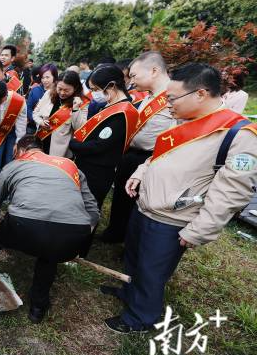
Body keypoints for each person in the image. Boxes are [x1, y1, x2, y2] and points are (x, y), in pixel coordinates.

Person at [102, 63, 257, 333]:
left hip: (172, 220)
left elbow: (232, 192)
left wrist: (199, 231)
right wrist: (140, 172)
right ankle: (129, 293)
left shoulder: (238, 135)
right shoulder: (184, 119)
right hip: (145, 207)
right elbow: (156, 155)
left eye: (172, 98)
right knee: (135, 258)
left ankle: (140, 318)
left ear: (200, 94)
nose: (168, 104)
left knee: (152, 272)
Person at [0, 135, 100, 323]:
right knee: (50, 256)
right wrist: (77, 236)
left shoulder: (15, 165)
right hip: (75, 232)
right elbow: (93, 211)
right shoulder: (70, 165)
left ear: (20, 151)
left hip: (24, 225)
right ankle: (37, 308)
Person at [101, 51, 175, 243]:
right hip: (131, 154)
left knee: (137, 202)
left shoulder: (175, 97)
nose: (131, 81)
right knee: (121, 198)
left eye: (134, 75)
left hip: (151, 158)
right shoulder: (148, 96)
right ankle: (115, 233)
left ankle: (129, 241)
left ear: (154, 70)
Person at [69, 65, 139, 211]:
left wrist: (72, 144)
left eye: (95, 89)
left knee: (88, 210)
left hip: (98, 172)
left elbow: (100, 145)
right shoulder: (110, 104)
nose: (94, 94)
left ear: (112, 85)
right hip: (87, 165)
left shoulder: (123, 112)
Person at [33, 71, 90, 158]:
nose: (62, 93)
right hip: (41, 142)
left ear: (75, 88)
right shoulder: (49, 94)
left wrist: (76, 109)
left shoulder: (82, 102)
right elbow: (35, 113)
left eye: (66, 90)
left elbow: (80, 128)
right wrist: (40, 122)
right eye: (59, 89)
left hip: (60, 150)